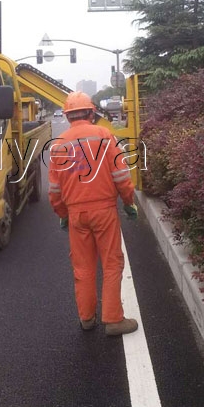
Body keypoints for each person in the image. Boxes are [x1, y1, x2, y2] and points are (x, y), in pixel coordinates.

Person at [48, 91, 139, 336]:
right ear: (91, 113)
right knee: (111, 263)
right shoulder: (104, 136)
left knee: (83, 267)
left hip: (77, 215)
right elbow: (121, 175)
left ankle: (87, 319)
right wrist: (129, 202)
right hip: (104, 210)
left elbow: (55, 190)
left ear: (67, 117)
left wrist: (63, 214)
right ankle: (113, 320)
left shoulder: (59, 145)